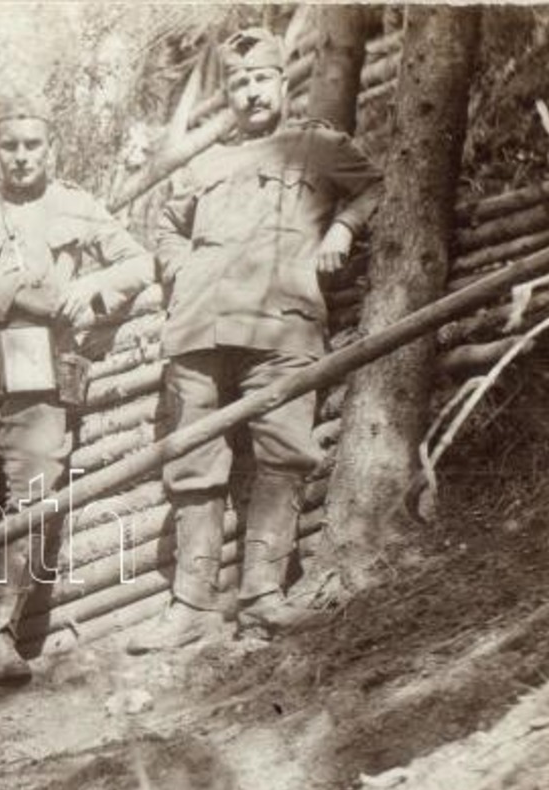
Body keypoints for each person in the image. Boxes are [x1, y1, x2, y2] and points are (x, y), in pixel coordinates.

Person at [127, 28, 382, 653]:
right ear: (228, 95)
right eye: (238, 82)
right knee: (192, 462)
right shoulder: (206, 164)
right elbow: (165, 225)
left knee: (283, 453)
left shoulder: (317, 147)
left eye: (260, 78)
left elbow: (376, 185)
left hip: (282, 323)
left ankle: (263, 596)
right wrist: (179, 267)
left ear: (283, 83)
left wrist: (343, 230)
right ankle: (189, 605)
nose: (250, 91)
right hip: (198, 327)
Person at [0, 94, 155, 686]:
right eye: (10, 146)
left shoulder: (77, 205)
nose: (22, 157)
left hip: (42, 364)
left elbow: (138, 263)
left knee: (31, 497)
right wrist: (23, 296)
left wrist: (98, 283)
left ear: (51, 148)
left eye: (33, 146)